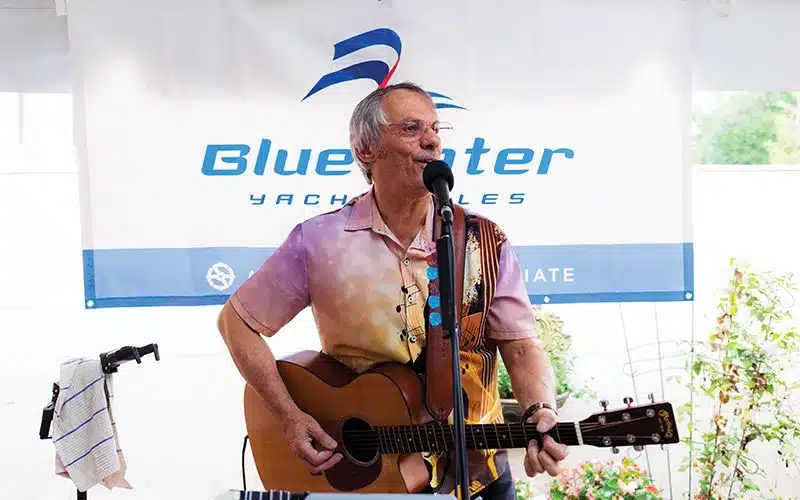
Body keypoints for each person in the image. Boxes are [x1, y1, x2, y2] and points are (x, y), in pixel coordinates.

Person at [217, 81, 568, 500]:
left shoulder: (482, 239)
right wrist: (289, 416)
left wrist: (539, 410)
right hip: (373, 477)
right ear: (367, 149)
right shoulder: (319, 240)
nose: (432, 139)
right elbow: (235, 323)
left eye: (436, 128)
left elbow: (521, 345)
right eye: (411, 128)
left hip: (477, 468)